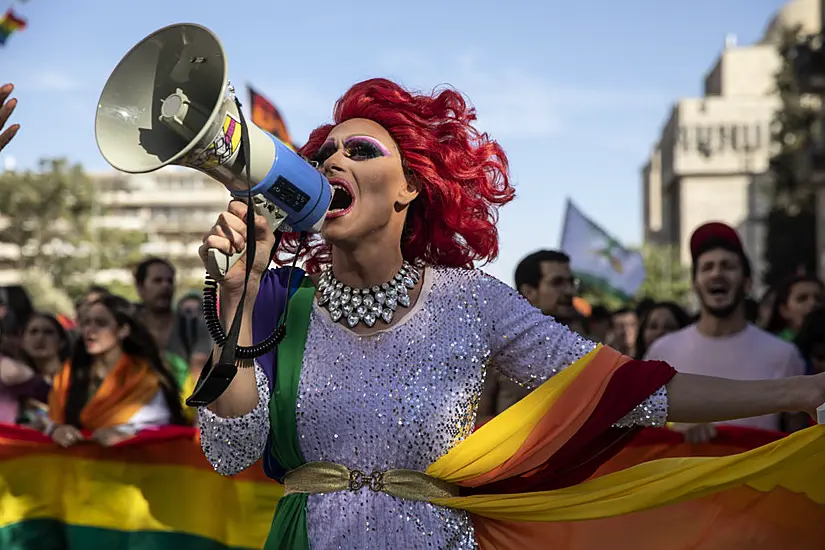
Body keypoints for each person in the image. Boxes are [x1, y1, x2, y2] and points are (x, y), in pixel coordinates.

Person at [196, 79, 825, 549]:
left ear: (413, 186)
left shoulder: (471, 301)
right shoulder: (276, 298)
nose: (333, 163)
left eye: (360, 150)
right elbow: (230, 452)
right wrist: (235, 300)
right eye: (324, 155)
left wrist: (802, 388)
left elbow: (627, 391)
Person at [644, 222, 810, 440]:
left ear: (747, 282)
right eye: (707, 267)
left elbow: (797, 444)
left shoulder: (783, 355)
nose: (716, 274)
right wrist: (672, 429)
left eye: (727, 266)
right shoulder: (661, 352)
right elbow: (640, 431)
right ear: (695, 284)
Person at [44, 294, 186, 447]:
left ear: (123, 330)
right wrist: (56, 430)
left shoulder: (144, 378)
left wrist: (127, 436)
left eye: (101, 323)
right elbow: (52, 421)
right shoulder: (68, 374)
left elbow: (160, 430)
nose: (90, 330)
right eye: (86, 323)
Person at [477, 249, 579, 422]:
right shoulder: (496, 347)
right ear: (529, 291)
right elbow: (477, 420)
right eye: (557, 283)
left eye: (571, 282)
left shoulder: (584, 343)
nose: (569, 291)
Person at [764, 274, 824, 342]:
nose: (813, 303)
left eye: (819, 299)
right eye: (802, 298)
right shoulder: (775, 345)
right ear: (784, 310)